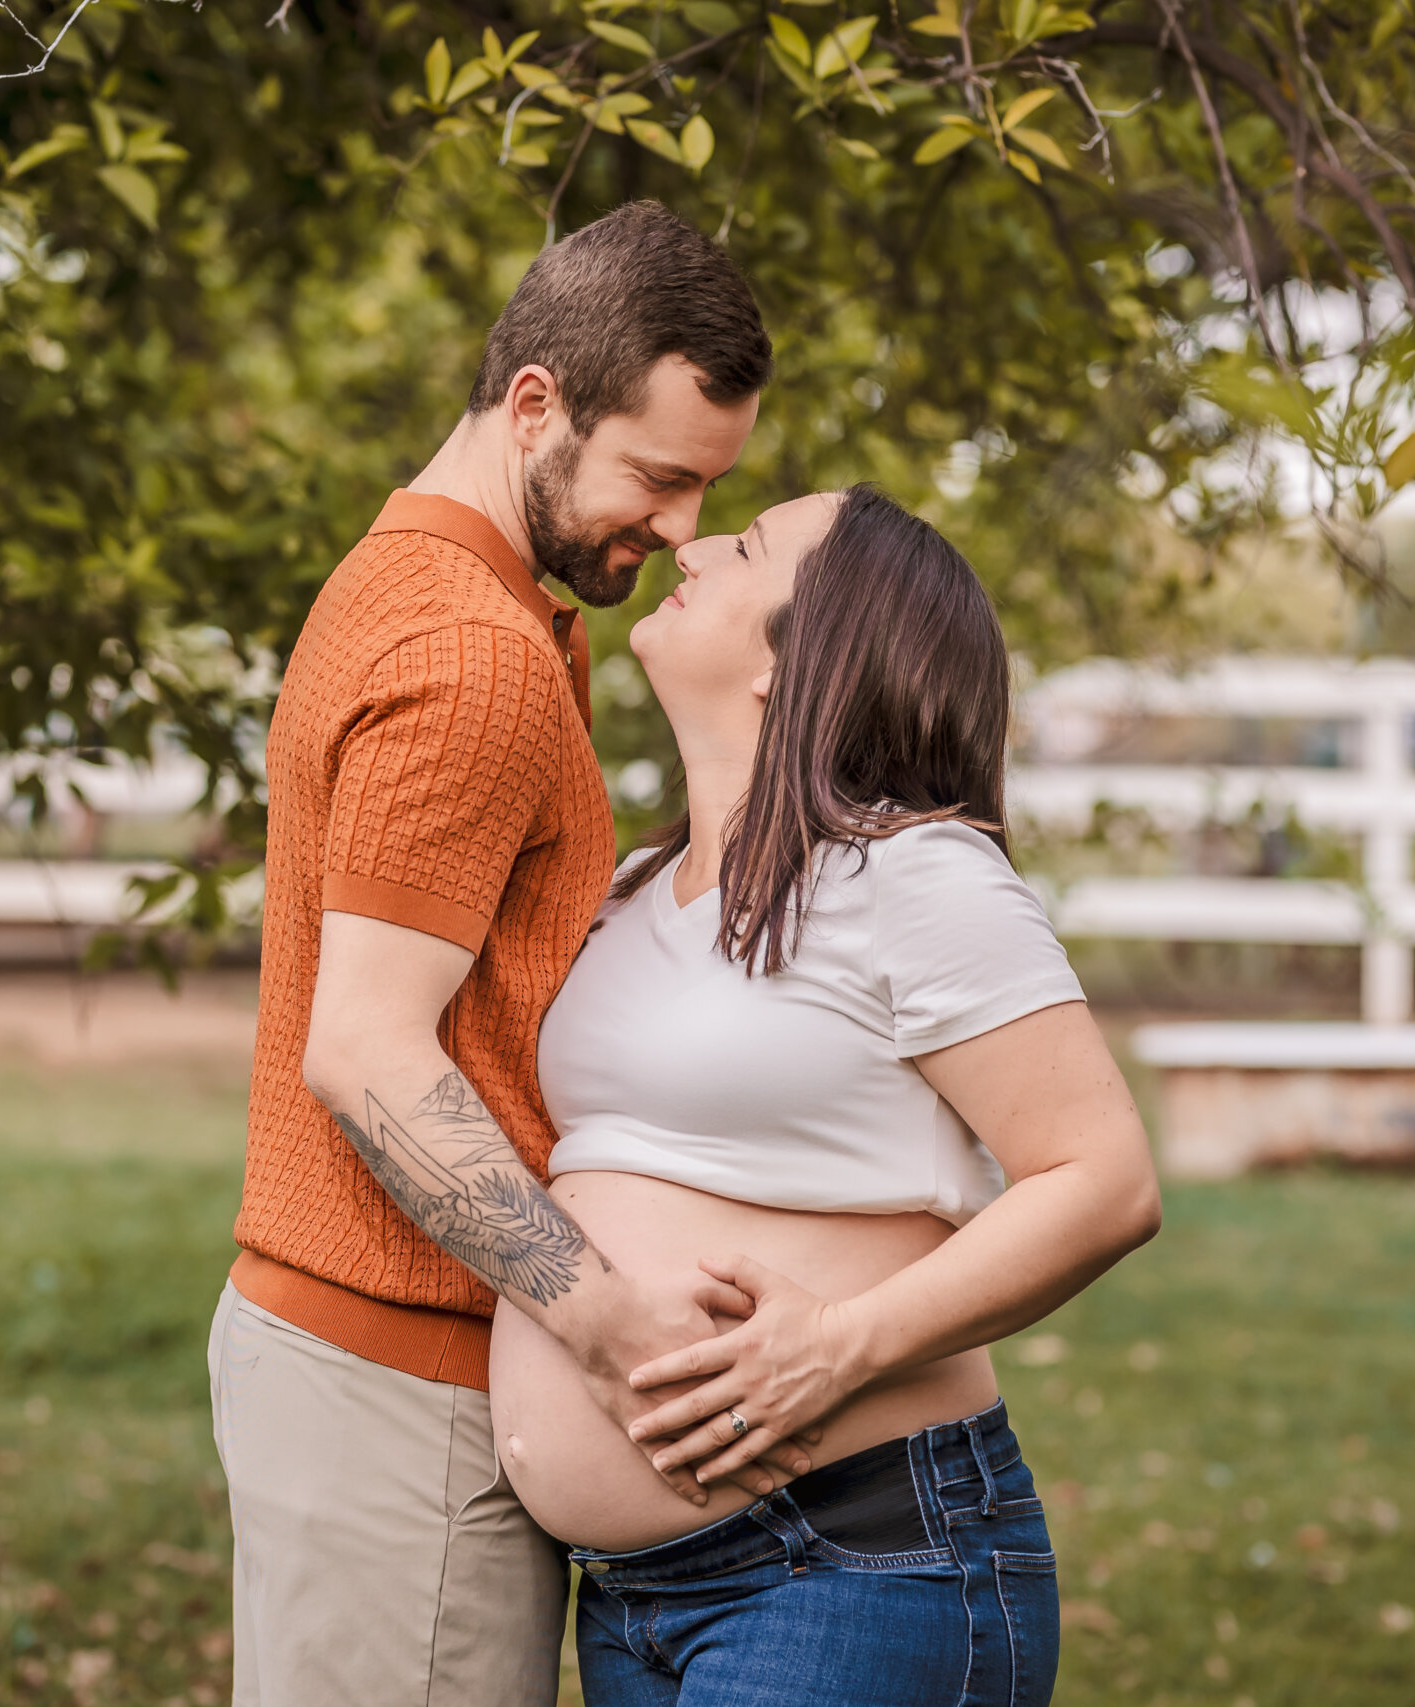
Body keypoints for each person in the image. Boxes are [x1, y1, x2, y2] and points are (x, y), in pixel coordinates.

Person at [210, 202, 785, 1706]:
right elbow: (370, 1048)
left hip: (365, 1371)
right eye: (658, 477)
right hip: (395, 1389)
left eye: (706, 489)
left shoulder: (448, 588)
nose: (674, 531)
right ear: (536, 403)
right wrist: (610, 1320)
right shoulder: (472, 652)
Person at [490, 485, 1164, 1705]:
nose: (690, 544)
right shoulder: (635, 890)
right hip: (634, 1596)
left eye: (744, 548)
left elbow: (1103, 1181)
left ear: (801, 659)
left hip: (845, 1568)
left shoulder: (916, 876)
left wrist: (837, 1350)